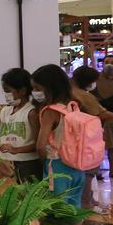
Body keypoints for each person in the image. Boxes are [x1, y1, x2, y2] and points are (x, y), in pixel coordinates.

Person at [70, 65, 113, 210]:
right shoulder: (82, 95)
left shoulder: (69, 92)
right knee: (87, 174)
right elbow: (102, 114)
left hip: (75, 140)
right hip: (86, 140)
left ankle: (89, 200)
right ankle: (85, 205)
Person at [32, 64, 86, 208]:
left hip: (56, 167)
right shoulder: (73, 106)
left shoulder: (50, 112)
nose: (34, 92)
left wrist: (42, 160)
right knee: (74, 212)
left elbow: (40, 145)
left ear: (49, 88)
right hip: (77, 167)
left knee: (56, 213)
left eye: (37, 88)